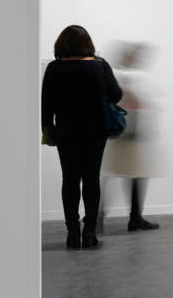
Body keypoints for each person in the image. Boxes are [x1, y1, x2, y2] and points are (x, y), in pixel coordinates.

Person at [41, 24, 122, 250]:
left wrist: (48, 130)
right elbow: (116, 95)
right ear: (88, 44)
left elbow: (46, 104)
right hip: (95, 131)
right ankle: (89, 233)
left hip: (66, 131)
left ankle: (72, 233)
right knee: (91, 179)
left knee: (69, 179)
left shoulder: (54, 68)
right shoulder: (100, 65)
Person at [103, 41, 161, 232]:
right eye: (133, 55)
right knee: (128, 175)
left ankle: (131, 217)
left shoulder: (124, 75)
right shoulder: (118, 75)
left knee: (132, 176)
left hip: (130, 134)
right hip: (124, 134)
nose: (136, 59)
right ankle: (105, 216)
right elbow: (124, 98)